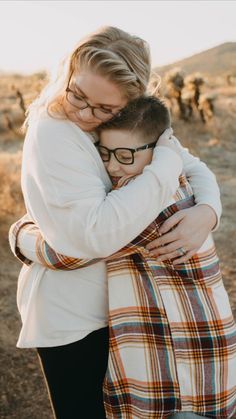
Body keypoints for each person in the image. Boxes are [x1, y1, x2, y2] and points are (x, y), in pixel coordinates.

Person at [8, 26, 222, 419]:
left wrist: (207, 213)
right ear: (68, 72)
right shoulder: (53, 131)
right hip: (73, 317)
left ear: (129, 103)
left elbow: (195, 166)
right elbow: (94, 235)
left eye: (103, 109)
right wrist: (164, 169)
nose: (84, 113)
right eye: (78, 95)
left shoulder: (127, 124)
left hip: (129, 306)